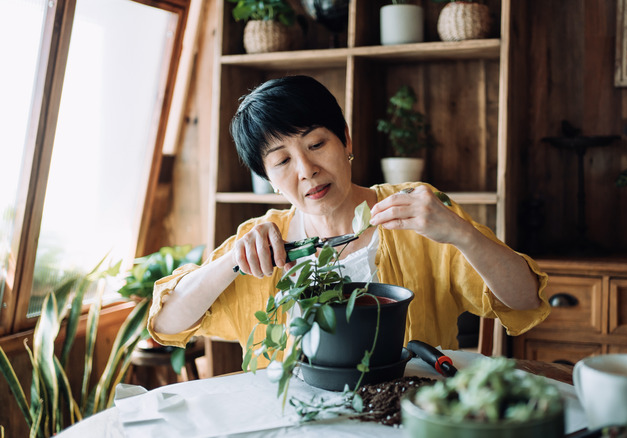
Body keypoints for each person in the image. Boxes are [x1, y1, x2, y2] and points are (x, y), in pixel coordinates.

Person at [149, 75, 550, 366]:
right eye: (283, 161)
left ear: (346, 140)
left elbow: (525, 300)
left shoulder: (417, 211)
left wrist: (461, 233)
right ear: (268, 178)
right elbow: (167, 324)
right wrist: (232, 261)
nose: (306, 170)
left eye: (317, 144)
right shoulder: (263, 240)